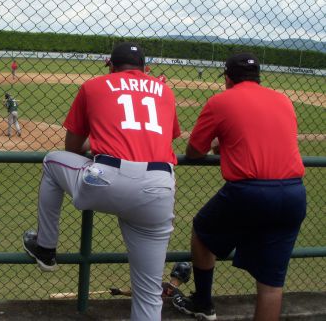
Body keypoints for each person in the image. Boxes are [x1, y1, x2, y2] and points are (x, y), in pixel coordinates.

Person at [22, 42, 181, 321]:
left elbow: (72, 147)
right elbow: (165, 137)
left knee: (51, 161)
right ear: (146, 69)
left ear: (110, 66)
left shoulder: (94, 85)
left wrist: (99, 141)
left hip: (106, 180)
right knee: (148, 295)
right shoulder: (164, 90)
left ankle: (45, 248)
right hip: (158, 187)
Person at [172, 53, 306, 321]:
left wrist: (217, 146)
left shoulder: (221, 100)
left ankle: (203, 303)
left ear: (227, 77)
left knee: (202, 230)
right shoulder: (283, 99)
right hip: (293, 193)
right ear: (258, 77)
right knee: (271, 285)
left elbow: (195, 151)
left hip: (250, 191)